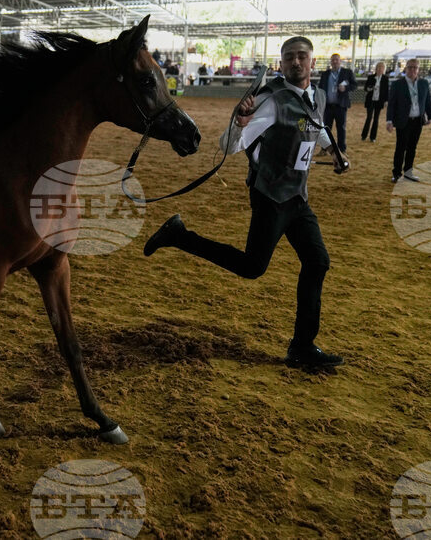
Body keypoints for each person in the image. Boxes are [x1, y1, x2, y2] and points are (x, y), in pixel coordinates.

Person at [142, 36, 350, 369]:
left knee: (317, 261)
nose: (296, 62)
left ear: (313, 63)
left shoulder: (318, 96)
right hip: (270, 196)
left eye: (302, 57)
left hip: (298, 198)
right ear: (281, 64)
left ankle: (302, 346)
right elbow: (230, 146)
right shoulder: (272, 101)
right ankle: (179, 236)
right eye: (289, 58)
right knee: (253, 267)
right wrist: (239, 125)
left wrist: (333, 152)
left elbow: (314, 124)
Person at [386, 58, 431, 183]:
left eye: (415, 67)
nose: (412, 70)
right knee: (400, 148)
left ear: (418, 70)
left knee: (412, 148)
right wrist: (389, 121)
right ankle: (396, 173)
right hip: (403, 121)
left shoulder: (423, 83)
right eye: (410, 67)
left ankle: (408, 173)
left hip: (418, 121)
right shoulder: (397, 84)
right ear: (405, 68)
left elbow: (428, 100)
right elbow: (391, 104)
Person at [317, 53, 357, 152]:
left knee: (341, 129)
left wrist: (346, 88)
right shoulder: (325, 74)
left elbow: (354, 85)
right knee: (326, 129)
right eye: (333, 60)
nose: (335, 62)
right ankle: (324, 149)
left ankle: (342, 150)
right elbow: (321, 89)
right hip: (328, 106)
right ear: (330, 62)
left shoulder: (347, 72)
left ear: (340, 61)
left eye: (337, 60)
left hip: (341, 105)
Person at [361, 61, 389, 142]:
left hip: (379, 101)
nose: (380, 69)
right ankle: (364, 135)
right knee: (369, 117)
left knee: (376, 119)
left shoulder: (385, 78)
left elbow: (386, 91)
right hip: (370, 100)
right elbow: (366, 88)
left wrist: (386, 100)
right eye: (378, 67)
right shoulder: (370, 77)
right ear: (376, 68)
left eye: (381, 67)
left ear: (384, 69)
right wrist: (370, 88)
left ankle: (373, 137)